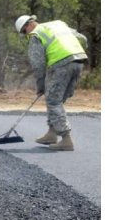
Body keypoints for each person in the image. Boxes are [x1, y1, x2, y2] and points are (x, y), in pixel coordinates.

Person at [15, 14, 88, 151]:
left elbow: (38, 64)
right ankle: (52, 133)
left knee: (53, 101)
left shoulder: (35, 35)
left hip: (62, 63)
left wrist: (41, 84)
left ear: (29, 25)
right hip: (79, 60)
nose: (25, 35)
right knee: (56, 99)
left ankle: (66, 139)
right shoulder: (58, 23)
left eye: (24, 32)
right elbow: (82, 38)